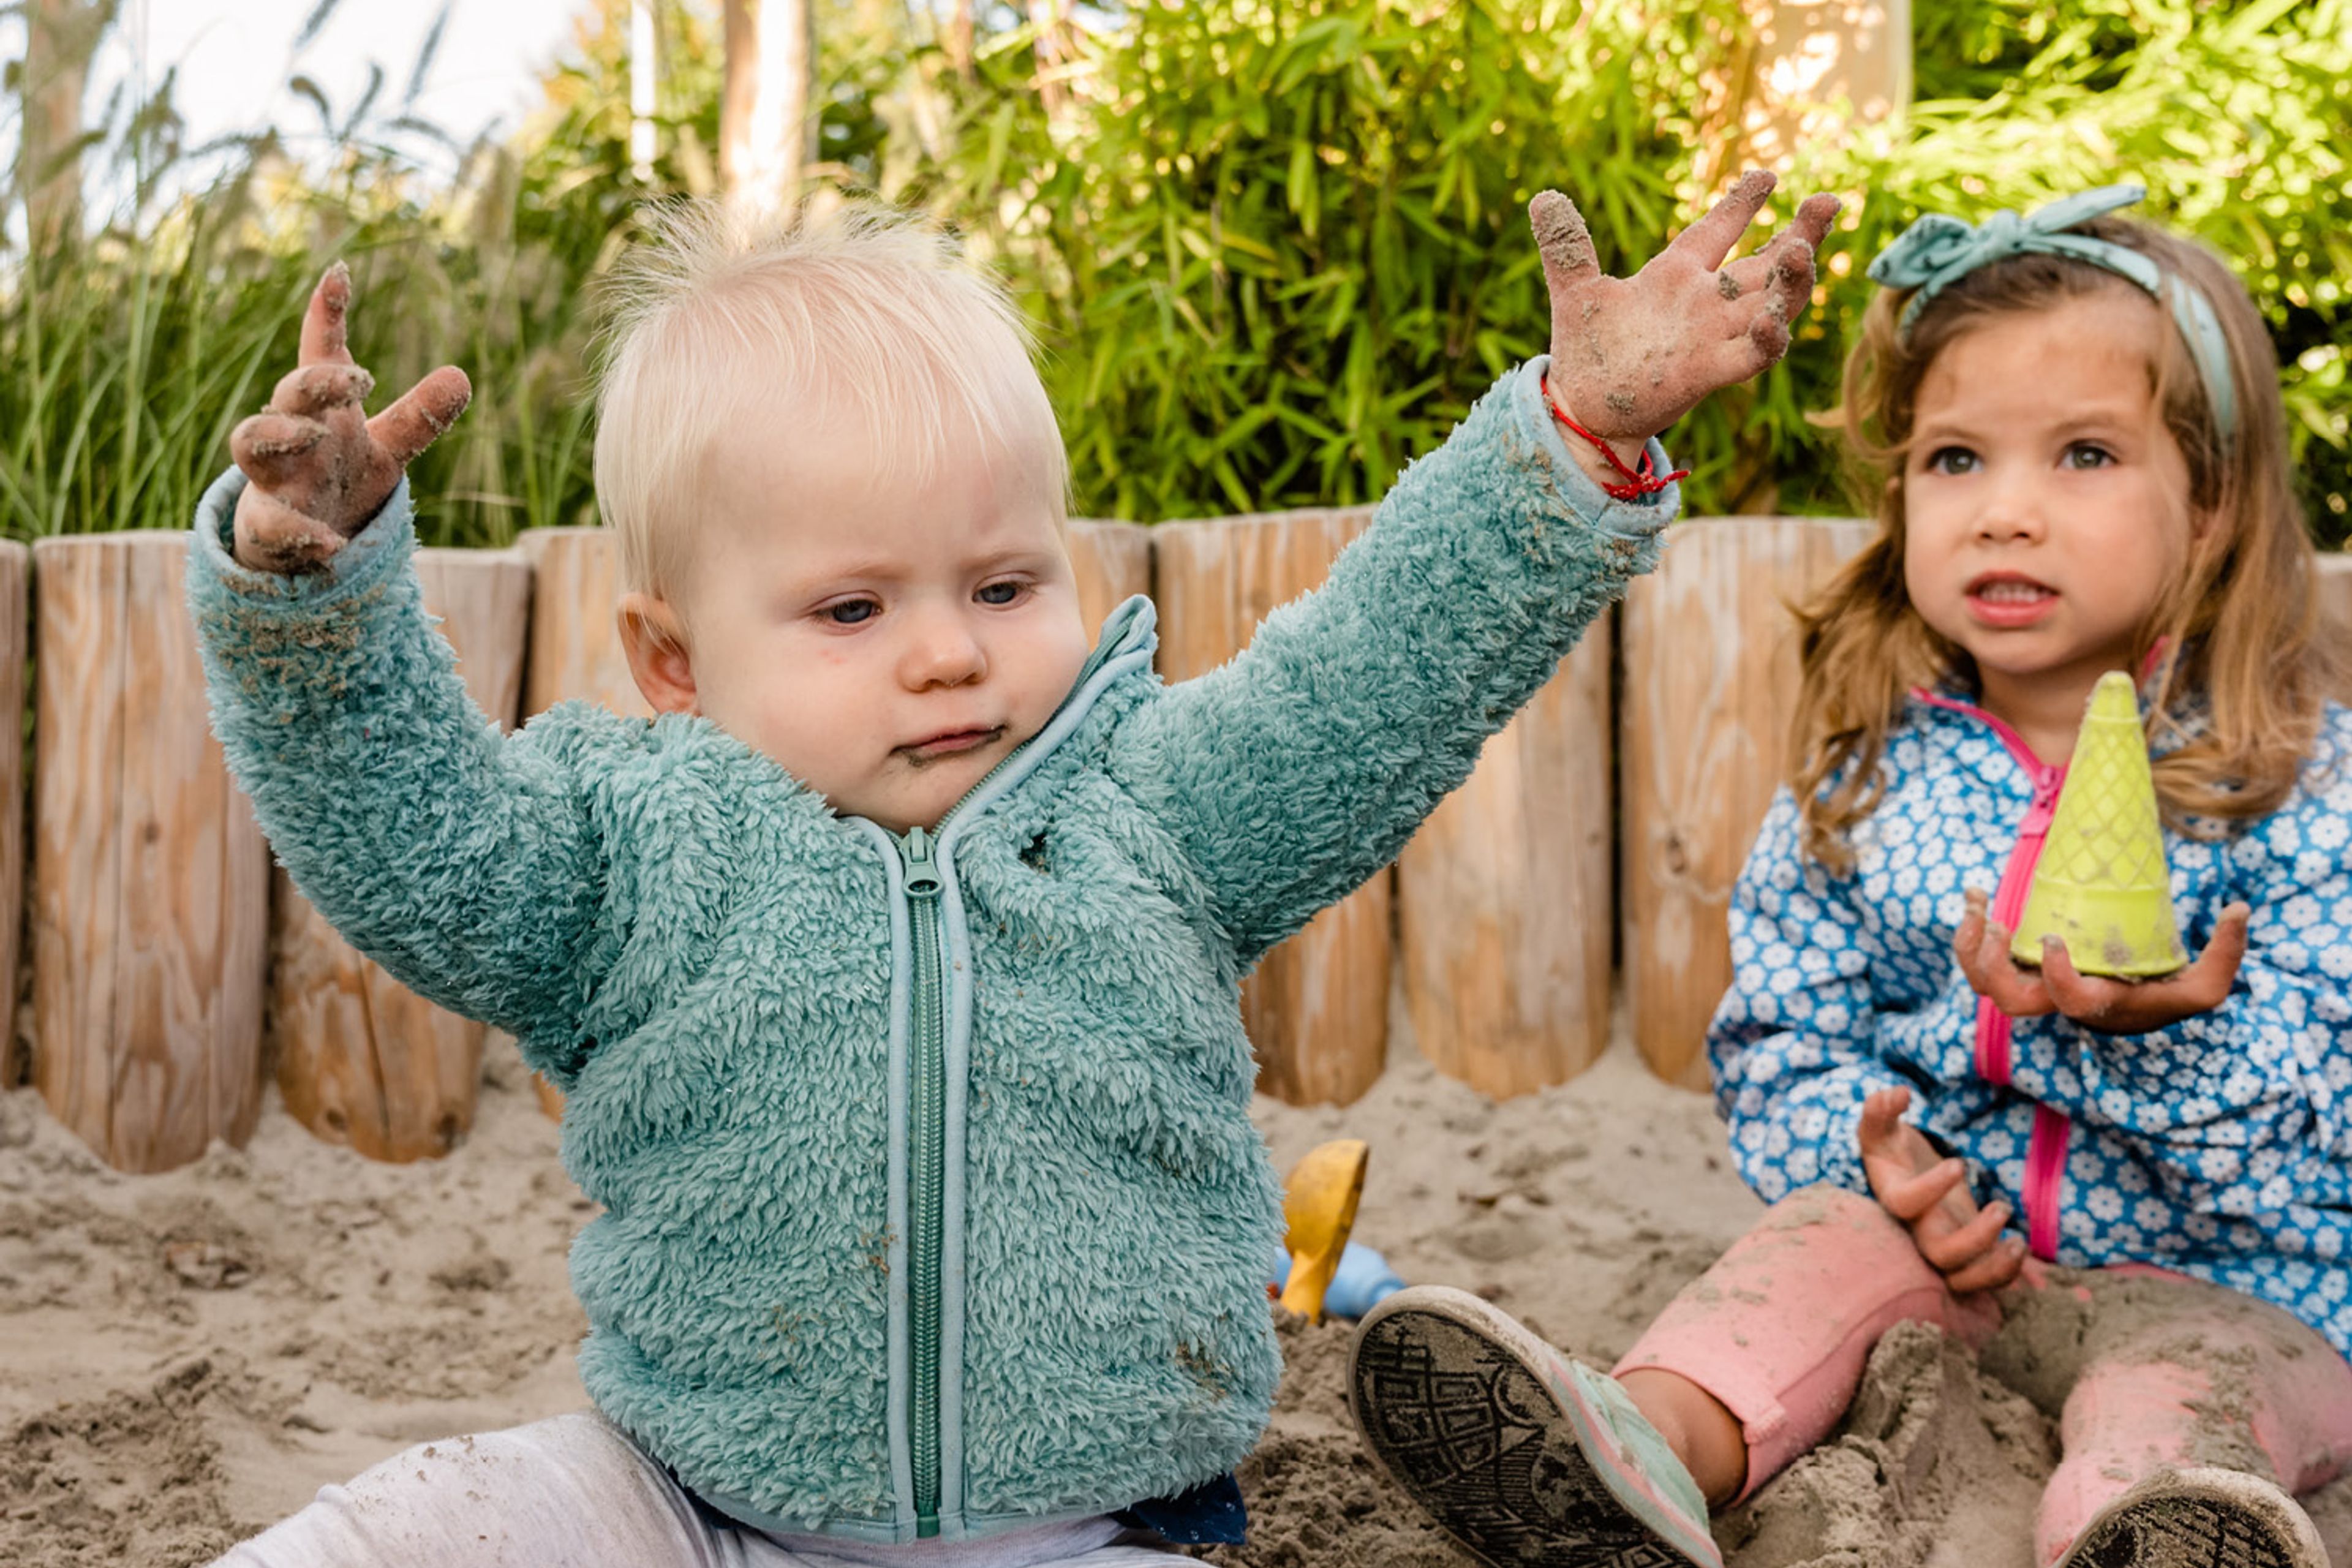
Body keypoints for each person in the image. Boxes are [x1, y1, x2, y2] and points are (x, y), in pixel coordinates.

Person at [189, 175, 1834, 1568]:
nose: (944, 658)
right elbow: (419, 846)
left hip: (1095, 1525)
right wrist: (307, 608)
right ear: (674, 660)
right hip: (695, 1506)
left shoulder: (1156, 809)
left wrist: (1565, 444)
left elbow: (1375, 677)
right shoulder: (628, 845)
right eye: (852, 610)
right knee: (397, 1530)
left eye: (999, 585)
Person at [1346, 184, 2352, 1568]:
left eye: (2084, 456)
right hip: (1942, 1258)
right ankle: (1632, 1455)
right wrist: (1879, 1161)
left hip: (2225, 1282)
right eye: (1954, 460)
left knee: (2178, 1410)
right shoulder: (1861, 783)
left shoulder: (2303, 792)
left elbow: (2321, 1110)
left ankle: (2148, 1531)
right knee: (1795, 1267)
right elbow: (1779, 1036)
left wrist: (2169, 1040)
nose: (2005, 511)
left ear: (2217, 504)